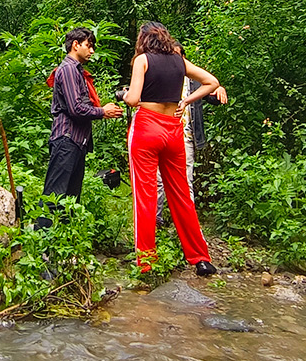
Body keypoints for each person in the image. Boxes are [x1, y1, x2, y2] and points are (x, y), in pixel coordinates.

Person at [123, 21, 226, 276]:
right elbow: (211, 82)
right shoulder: (179, 61)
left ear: (144, 39)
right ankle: (201, 258)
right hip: (173, 129)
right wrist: (186, 100)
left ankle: (146, 263)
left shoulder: (142, 60)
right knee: (181, 195)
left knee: (145, 196)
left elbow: (134, 99)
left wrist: (123, 95)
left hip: (147, 127)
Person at [41, 26, 123, 225]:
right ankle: (42, 245)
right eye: (89, 46)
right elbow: (75, 108)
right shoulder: (69, 69)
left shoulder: (77, 71)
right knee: (55, 196)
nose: (92, 51)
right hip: (66, 139)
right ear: (75, 45)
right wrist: (103, 111)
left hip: (76, 141)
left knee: (70, 198)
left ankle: (63, 244)